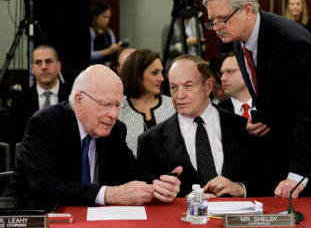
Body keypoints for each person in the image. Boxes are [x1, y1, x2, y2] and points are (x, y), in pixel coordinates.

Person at [202, 0, 311, 198]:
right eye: (212, 21)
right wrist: (264, 118)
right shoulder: (238, 36)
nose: (217, 28)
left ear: (247, 9)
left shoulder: (292, 42)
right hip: (283, 142)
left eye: (223, 19)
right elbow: (272, 91)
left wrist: (297, 176)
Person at [3, 65, 181, 210]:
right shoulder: (45, 124)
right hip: (33, 219)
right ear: (79, 100)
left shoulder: (115, 130)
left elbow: (133, 173)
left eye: (118, 105)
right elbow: (45, 185)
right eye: (105, 104)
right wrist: (110, 194)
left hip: (92, 221)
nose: (113, 114)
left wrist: (160, 185)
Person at [137, 55, 250, 197]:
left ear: (208, 86)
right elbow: (146, 193)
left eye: (188, 86)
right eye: (174, 88)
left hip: (234, 216)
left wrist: (240, 189)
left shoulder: (243, 127)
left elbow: (267, 179)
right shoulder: (151, 140)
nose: (180, 95)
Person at [7, 45, 70, 148]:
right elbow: (15, 141)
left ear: (59, 65)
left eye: (48, 61)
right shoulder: (20, 101)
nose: (44, 67)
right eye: (38, 62)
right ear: (32, 68)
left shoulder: (74, 97)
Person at [118, 49, 175, 157]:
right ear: (136, 75)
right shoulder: (119, 110)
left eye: (161, 72)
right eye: (154, 73)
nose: (162, 79)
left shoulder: (173, 106)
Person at [90, 1, 124, 67]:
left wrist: (118, 49)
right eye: (104, 17)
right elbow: (89, 56)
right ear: (95, 16)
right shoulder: (91, 31)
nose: (108, 20)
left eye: (109, 17)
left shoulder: (109, 31)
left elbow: (113, 51)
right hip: (95, 68)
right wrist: (108, 51)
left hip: (109, 67)